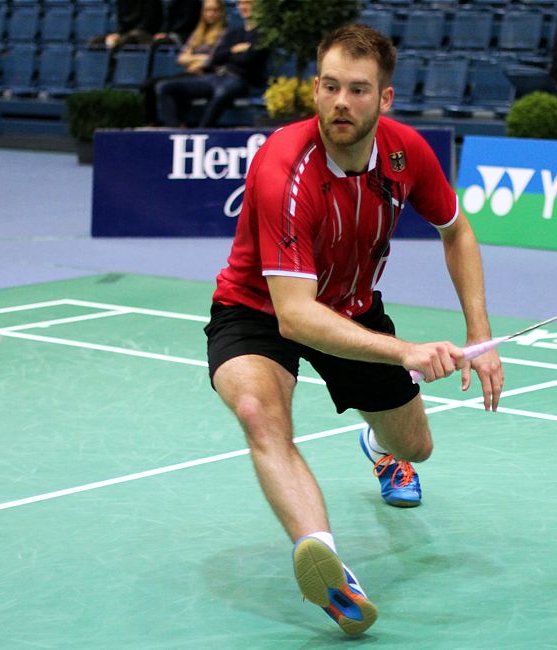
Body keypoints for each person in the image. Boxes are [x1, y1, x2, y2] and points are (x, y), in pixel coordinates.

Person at [203, 24, 503, 636]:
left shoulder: (405, 153)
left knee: (415, 446)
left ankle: (378, 448)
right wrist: (408, 351)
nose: (342, 102)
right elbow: (295, 315)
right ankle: (327, 563)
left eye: (359, 90)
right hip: (258, 311)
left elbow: (457, 230)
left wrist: (480, 335)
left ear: (384, 99)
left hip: (355, 309)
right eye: (332, 87)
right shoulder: (283, 169)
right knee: (260, 413)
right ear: (315, 89)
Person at [153, 0, 268, 127]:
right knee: (164, 87)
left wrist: (228, 54)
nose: (243, 7)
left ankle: (202, 131)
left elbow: (248, 59)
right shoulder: (234, 33)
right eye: (241, 3)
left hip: (240, 80)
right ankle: (174, 132)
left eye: (248, 3)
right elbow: (216, 57)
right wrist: (233, 50)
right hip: (217, 76)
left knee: (222, 92)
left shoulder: (262, 34)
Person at [142, 0, 228, 124]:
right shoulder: (197, 33)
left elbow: (217, 58)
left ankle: (175, 127)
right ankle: (152, 124)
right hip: (192, 73)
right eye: (208, 10)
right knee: (149, 84)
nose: (211, 14)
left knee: (169, 87)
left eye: (215, 10)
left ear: (221, 13)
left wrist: (195, 59)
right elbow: (181, 58)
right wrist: (201, 59)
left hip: (209, 76)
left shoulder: (226, 34)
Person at [89, 0, 201, 49]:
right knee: (96, 41)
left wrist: (165, 33)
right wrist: (117, 34)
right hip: (129, 34)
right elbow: (122, 23)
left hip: (147, 33)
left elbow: (151, 22)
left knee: (132, 36)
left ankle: (114, 65)